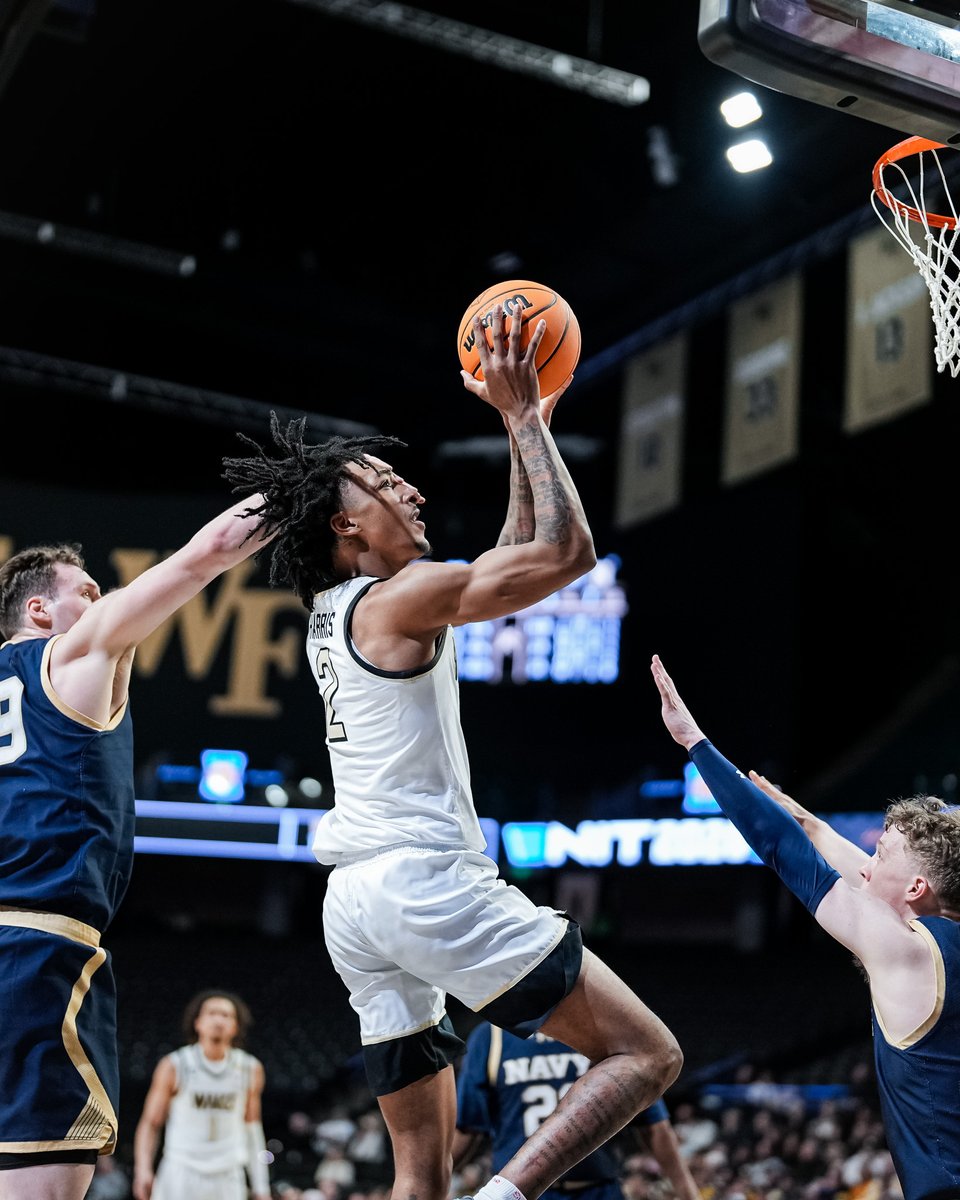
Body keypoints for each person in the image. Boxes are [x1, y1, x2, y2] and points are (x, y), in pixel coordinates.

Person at [220, 305, 683, 1200]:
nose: (413, 492)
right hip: (424, 883)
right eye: (387, 487)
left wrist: (532, 427)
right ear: (346, 531)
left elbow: (511, 558)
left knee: (417, 1181)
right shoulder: (395, 600)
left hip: (353, 904)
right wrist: (518, 417)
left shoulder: (343, 609)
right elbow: (566, 552)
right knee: (647, 1054)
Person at [0, 492, 274, 1200]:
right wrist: (301, 482)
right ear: (40, 612)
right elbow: (204, 556)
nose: (102, 603)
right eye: (87, 593)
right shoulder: (72, 655)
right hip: (36, 958)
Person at [649, 653, 960, 1200]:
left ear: (915, 890)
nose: (866, 862)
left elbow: (784, 853)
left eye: (880, 854)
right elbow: (820, 847)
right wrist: (808, 820)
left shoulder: (907, 951)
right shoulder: (936, 936)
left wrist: (696, 743)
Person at [453, 1022, 700, 1200]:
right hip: (517, 1192)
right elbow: (468, 1126)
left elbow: (652, 1123)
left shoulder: (601, 1029)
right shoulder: (490, 1037)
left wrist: (688, 1192)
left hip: (597, 1188)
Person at [132, 989, 270, 1200]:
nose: (218, 1019)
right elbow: (151, 1123)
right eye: (212, 1013)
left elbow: (253, 1128)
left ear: (235, 1026)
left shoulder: (250, 1068)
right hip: (181, 1169)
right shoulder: (175, 1065)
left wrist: (261, 1186)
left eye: (226, 1015)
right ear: (197, 1022)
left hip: (228, 1172)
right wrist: (142, 1169)